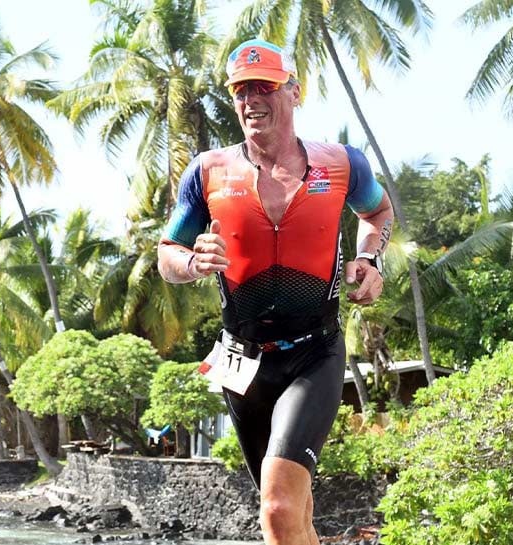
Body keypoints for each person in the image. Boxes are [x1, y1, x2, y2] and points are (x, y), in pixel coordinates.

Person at [157, 38, 394, 545]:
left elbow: (377, 212)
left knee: (277, 508)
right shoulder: (207, 171)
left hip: (315, 353)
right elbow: (166, 256)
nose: (250, 100)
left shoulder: (342, 164)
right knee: (292, 514)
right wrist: (192, 261)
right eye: (240, 90)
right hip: (241, 361)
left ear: (294, 92)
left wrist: (371, 260)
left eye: (263, 86)